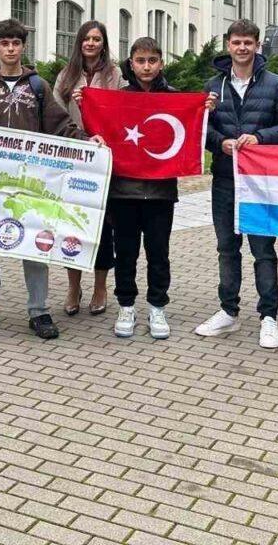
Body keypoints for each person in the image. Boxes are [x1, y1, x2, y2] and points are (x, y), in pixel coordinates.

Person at [0, 18, 104, 341]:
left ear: (23, 47)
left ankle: (38, 311)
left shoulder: (38, 86)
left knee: (36, 244)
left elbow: (59, 123)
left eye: (16, 43)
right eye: (5, 44)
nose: (10, 49)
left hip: (31, 180)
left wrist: (85, 139)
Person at [195, 20, 278, 346]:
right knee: (227, 248)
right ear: (228, 45)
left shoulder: (276, 84)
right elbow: (201, 129)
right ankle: (228, 311)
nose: (242, 48)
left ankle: (269, 316)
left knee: (263, 250)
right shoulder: (213, 85)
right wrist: (220, 142)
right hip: (225, 179)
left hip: (261, 182)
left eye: (248, 43)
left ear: (257, 45)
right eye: (236, 42)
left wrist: (260, 138)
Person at [108, 37, 183, 340]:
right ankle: (126, 306)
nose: (147, 66)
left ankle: (157, 307)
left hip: (161, 192)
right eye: (140, 61)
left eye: (152, 60)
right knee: (125, 253)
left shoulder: (175, 98)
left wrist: (205, 108)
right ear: (132, 63)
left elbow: (193, 129)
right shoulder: (118, 99)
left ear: (161, 63)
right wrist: (86, 103)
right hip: (123, 191)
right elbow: (103, 128)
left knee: (158, 253)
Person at [53, 20, 124, 317]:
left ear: (104, 43)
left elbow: (123, 110)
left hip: (103, 159)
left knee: (102, 226)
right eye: (86, 38)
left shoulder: (114, 74)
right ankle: (73, 286)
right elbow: (56, 115)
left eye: (96, 39)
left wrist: (95, 104)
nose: (91, 43)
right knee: (72, 224)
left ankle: (100, 287)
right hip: (74, 158)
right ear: (79, 42)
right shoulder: (66, 75)